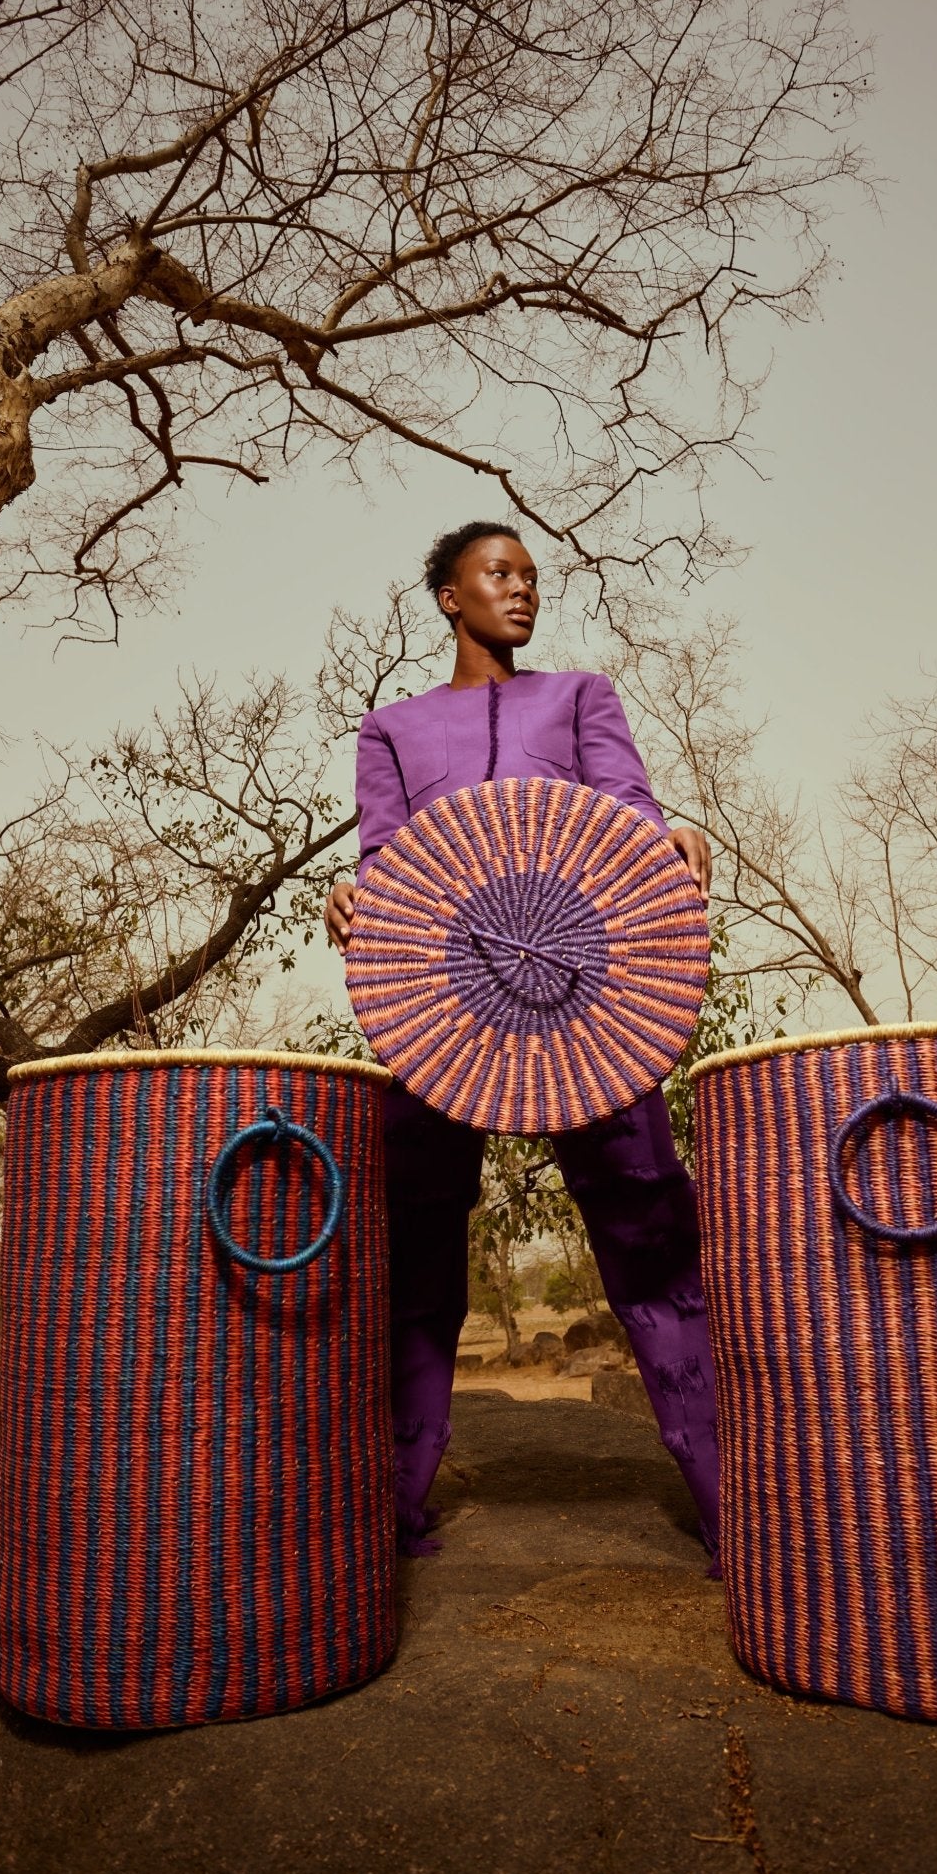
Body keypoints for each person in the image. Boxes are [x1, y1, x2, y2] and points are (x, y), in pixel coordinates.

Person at [325, 521, 720, 1565]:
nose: (521, 591)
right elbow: (386, 859)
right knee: (417, 1257)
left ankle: (736, 1509)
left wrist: (667, 832)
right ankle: (391, 1518)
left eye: (531, 578)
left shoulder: (579, 695)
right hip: (440, 1011)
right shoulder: (391, 729)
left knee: (652, 1241)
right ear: (448, 595)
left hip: (588, 1003)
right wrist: (350, 896)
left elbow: (627, 808)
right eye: (498, 574)